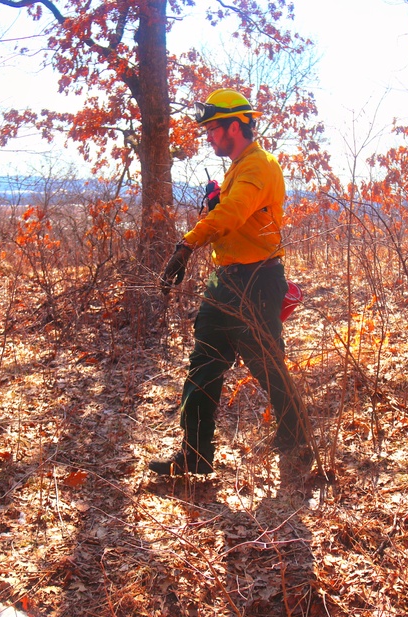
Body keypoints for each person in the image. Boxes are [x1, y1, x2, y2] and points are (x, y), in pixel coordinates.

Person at [149, 89, 311, 476]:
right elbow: (234, 213)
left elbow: (236, 214)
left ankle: (296, 438)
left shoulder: (259, 166)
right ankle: (194, 454)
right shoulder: (238, 168)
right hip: (225, 280)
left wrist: (186, 244)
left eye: (213, 129)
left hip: (257, 281)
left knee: (267, 364)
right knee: (204, 365)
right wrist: (216, 203)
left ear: (235, 126)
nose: (208, 137)